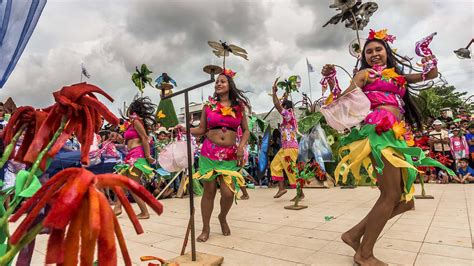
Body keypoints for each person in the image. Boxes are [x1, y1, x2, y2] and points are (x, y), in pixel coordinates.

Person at [321, 29, 454, 265]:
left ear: (387, 52)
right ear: (364, 57)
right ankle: (364, 254)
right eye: (369, 51)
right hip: (377, 133)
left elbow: (431, 73)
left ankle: (354, 235)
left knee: (406, 200)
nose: (374, 54)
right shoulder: (365, 75)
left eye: (378, 49)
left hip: (397, 136)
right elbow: (344, 99)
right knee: (391, 194)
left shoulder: (398, 77)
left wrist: (426, 55)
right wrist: (332, 79)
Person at [186, 69, 250, 242]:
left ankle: (222, 216)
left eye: (223, 81)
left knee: (228, 194)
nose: (219, 84)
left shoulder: (239, 108)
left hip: (230, 155)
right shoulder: (208, 106)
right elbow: (200, 130)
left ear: (230, 85)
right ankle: (205, 228)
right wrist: (184, 129)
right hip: (209, 152)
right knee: (209, 192)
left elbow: (246, 131)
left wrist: (241, 147)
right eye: (217, 82)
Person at [114, 97, 157, 219]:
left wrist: (148, 156)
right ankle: (118, 207)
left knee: (133, 186)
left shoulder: (136, 121)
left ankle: (144, 212)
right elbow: (129, 141)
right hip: (130, 154)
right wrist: (119, 140)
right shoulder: (131, 124)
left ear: (133, 110)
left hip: (137, 155)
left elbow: (144, 138)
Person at [270, 81, 300, 199]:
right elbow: (281, 104)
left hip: (291, 148)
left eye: (283, 105)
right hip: (285, 147)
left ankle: (300, 193)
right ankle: (282, 189)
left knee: (290, 170)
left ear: (287, 108)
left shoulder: (289, 115)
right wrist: (285, 94)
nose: (282, 107)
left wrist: (274, 93)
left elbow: (278, 106)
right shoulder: (288, 116)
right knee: (275, 165)